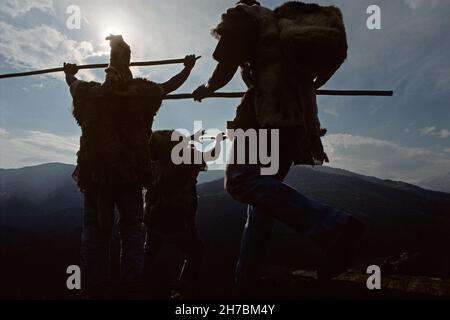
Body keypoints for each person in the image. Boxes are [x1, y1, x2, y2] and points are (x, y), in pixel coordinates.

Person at [192, 0, 365, 293]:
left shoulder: (242, 16)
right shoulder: (289, 28)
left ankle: (336, 228)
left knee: (240, 181)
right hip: (296, 121)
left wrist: (207, 88)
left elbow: (226, 66)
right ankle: (245, 282)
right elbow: (324, 70)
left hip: (263, 115)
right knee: (261, 209)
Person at [64, 35, 197, 296]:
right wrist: (187, 68)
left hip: (95, 175)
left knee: (95, 231)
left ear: (108, 69)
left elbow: (73, 84)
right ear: (129, 65)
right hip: (130, 175)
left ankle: (95, 284)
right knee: (132, 228)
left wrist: (69, 73)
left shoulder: (92, 94)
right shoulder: (142, 94)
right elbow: (170, 85)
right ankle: (131, 280)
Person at [143, 130, 219, 297]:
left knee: (149, 250)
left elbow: (170, 146)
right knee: (196, 252)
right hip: (174, 219)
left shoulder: (156, 161)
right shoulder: (188, 159)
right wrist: (218, 140)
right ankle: (182, 290)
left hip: (152, 215)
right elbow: (211, 154)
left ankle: (133, 282)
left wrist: (193, 138)